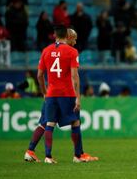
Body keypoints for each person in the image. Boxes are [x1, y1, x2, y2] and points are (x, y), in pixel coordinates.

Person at [33, 27, 98, 164]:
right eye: (74, 38)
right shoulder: (72, 52)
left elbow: (39, 75)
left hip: (50, 94)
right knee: (75, 121)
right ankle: (77, 155)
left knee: (49, 123)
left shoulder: (46, 50)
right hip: (66, 93)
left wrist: (44, 92)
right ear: (67, 37)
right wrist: (78, 98)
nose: (75, 42)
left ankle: (48, 156)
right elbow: (75, 76)